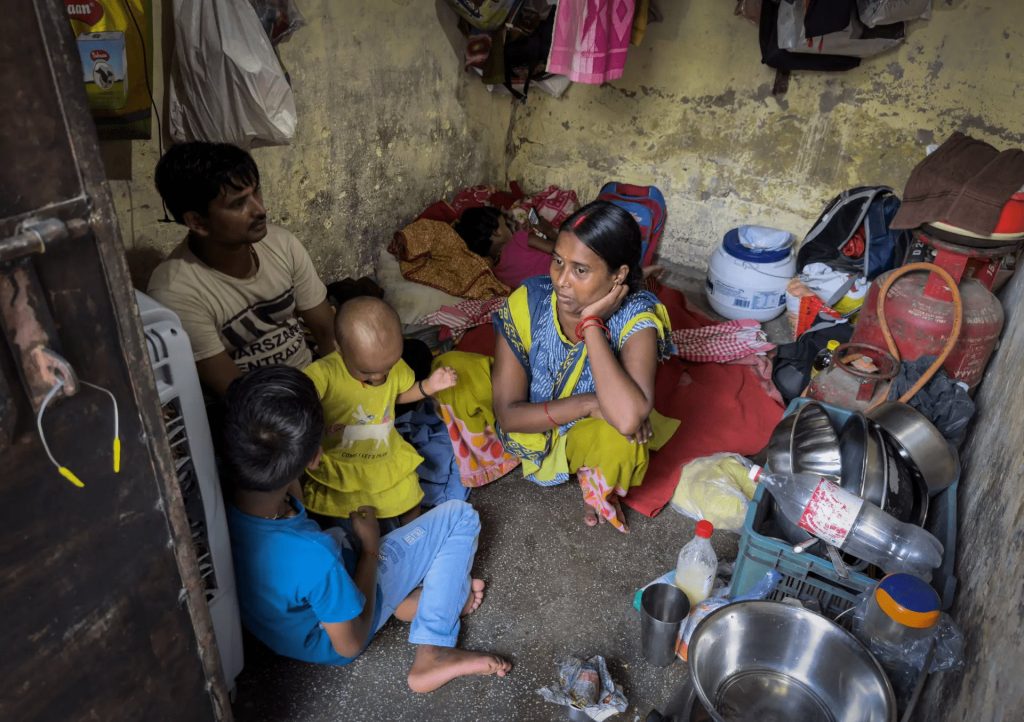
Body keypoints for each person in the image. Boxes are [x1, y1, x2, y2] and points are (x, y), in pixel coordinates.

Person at [224, 365, 512, 691]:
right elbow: (350, 645)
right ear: (316, 457)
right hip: (337, 634)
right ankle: (433, 648)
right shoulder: (316, 556)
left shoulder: (227, 502)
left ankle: (423, 599)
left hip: (294, 627)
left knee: (348, 532)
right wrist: (371, 547)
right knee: (459, 516)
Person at [434, 201, 679, 532]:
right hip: (538, 411)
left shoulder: (636, 317)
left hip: (583, 429)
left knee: (626, 438)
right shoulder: (530, 300)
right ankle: (504, 457)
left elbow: (626, 418)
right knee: (450, 371)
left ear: (618, 275)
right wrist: (589, 403)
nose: (562, 280)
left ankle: (589, 475)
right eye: (558, 262)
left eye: (581, 270)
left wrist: (591, 324)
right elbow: (508, 414)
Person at [147, 142, 336, 396]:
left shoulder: (282, 245)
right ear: (198, 222)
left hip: (312, 383)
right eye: (238, 204)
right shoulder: (176, 291)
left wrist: (339, 394)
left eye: (257, 193)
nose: (260, 210)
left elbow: (326, 331)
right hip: (257, 406)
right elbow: (235, 390)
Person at [302, 296, 458, 529]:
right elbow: (299, 403)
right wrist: (309, 437)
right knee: (333, 509)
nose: (378, 377)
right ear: (339, 348)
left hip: (385, 456)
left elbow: (398, 396)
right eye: (366, 372)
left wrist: (428, 386)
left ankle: (412, 537)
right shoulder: (324, 372)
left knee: (410, 497)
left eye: (388, 368)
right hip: (339, 461)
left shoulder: (390, 365)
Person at [453, 206, 557, 289]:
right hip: (561, 276)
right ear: (496, 232)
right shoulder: (519, 238)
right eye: (506, 225)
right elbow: (560, 250)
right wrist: (549, 231)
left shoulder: (497, 273)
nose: (510, 229)